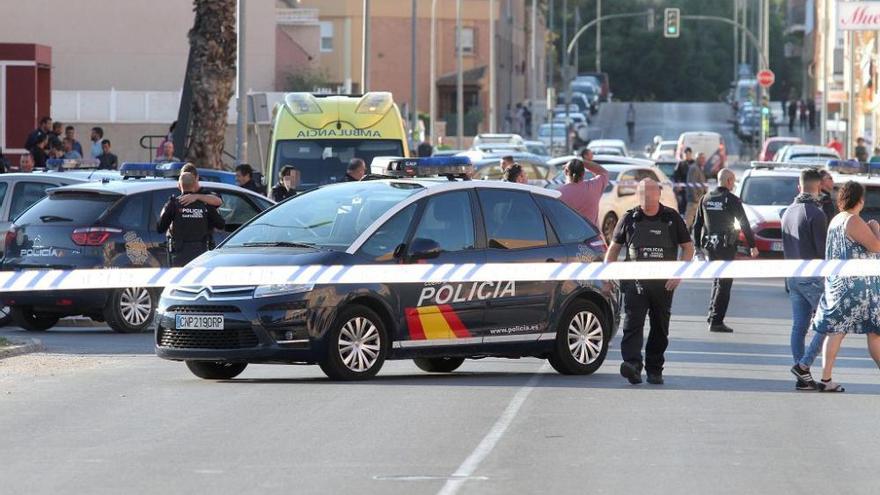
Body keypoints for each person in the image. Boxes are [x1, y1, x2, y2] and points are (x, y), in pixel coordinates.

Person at [791, 181, 880, 392]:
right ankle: (821, 376)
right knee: (875, 331)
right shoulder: (854, 220)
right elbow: (876, 247)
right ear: (860, 200)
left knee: (836, 331)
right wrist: (876, 227)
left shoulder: (836, 220)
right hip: (858, 288)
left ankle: (824, 378)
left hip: (838, 284)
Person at [605, 178, 695, 385]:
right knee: (632, 325)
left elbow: (688, 248)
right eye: (642, 192)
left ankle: (655, 369)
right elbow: (613, 249)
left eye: (650, 192)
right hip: (635, 283)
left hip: (663, 285)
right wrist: (606, 277)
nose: (646, 196)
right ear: (638, 195)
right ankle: (632, 365)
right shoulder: (629, 218)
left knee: (660, 327)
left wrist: (678, 274)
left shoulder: (671, 218)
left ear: (659, 193)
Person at [693, 169, 759, 333]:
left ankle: (712, 316)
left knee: (717, 281)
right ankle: (716, 321)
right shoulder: (731, 199)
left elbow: (696, 225)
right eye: (734, 181)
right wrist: (752, 245)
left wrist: (697, 247)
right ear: (729, 181)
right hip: (725, 246)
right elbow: (744, 223)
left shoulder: (705, 198)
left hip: (710, 246)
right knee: (724, 284)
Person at [781, 168, 827, 390]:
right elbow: (822, 251)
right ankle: (804, 365)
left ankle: (802, 379)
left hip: (793, 275)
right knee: (829, 322)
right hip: (812, 277)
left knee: (799, 326)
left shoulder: (788, 211)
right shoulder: (815, 214)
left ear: (799, 187)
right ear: (818, 187)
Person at [157, 172, 225, 267]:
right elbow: (221, 224)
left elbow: (160, 228)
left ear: (179, 185)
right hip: (201, 255)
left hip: (178, 255)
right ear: (195, 185)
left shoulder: (173, 204)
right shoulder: (205, 204)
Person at [558, 153, 609, 226]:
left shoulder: (559, 193)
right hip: (593, 235)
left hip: (568, 235)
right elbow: (603, 172)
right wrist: (581, 161)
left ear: (566, 172)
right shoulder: (593, 187)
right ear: (583, 173)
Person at [684, 153, 708, 229]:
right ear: (697, 159)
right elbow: (691, 184)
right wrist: (695, 198)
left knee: (697, 220)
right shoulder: (694, 168)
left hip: (699, 200)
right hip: (694, 201)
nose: (704, 161)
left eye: (704, 159)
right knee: (689, 220)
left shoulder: (699, 168)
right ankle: (685, 236)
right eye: (702, 159)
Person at [673, 148, 695, 214]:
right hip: (683, 188)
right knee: (682, 204)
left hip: (693, 188)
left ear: (691, 154)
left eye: (688, 154)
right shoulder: (680, 164)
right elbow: (676, 175)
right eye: (686, 154)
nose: (687, 156)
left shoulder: (694, 164)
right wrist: (678, 185)